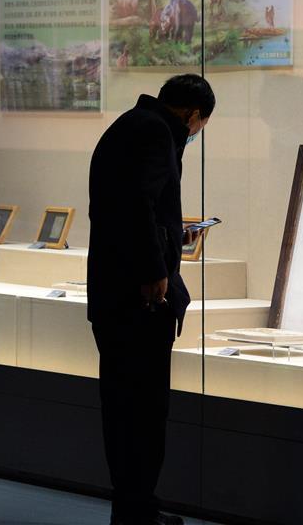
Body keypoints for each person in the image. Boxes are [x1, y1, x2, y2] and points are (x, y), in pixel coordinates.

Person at [88, 74, 214, 525]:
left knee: (122, 408)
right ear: (193, 115)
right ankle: (138, 510)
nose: (196, 134)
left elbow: (129, 207)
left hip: (111, 291)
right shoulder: (157, 132)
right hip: (138, 299)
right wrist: (155, 270)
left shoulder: (130, 123)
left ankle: (132, 507)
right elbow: (137, 205)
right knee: (143, 411)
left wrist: (172, 237)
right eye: (200, 126)